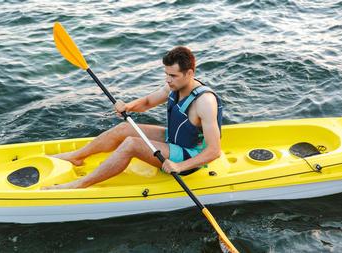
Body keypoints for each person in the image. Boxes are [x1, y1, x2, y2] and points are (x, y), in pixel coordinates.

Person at [42, 46, 222, 190]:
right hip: (174, 139)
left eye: (172, 75)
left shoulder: (205, 102)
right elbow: (147, 102)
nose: (167, 79)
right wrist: (128, 106)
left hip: (188, 157)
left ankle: (81, 183)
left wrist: (179, 167)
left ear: (189, 73)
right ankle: (76, 156)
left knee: (132, 144)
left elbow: (214, 151)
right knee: (124, 128)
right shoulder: (174, 86)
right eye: (166, 74)